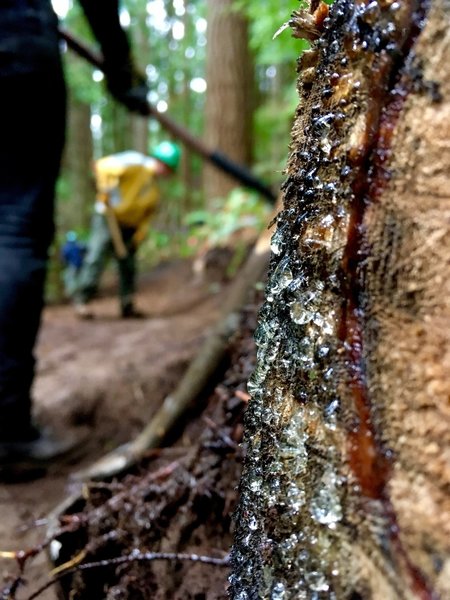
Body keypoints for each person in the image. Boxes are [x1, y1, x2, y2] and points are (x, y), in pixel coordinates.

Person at [0, 0, 148, 467]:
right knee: (15, 230)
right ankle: (6, 430)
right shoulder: (123, 170)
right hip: (16, 44)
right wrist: (121, 69)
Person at [73, 142, 181, 319]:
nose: (164, 171)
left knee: (128, 264)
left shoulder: (154, 191)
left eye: (168, 169)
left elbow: (146, 218)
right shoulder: (135, 162)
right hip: (107, 218)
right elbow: (101, 167)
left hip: (129, 227)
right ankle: (82, 300)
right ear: (158, 160)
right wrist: (106, 190)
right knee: (96, 256)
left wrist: (138, 235)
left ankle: (127, 304)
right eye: (164, 165)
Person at [60, 231, 87, 297]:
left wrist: (64, 264)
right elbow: (86, 249)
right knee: (79, 280)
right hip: (80, 265)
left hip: (72, 266)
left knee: (72, 280)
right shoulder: (79, 244)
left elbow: (63, 258)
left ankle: (74, 295)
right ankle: (79, 294)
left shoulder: (66, 247)